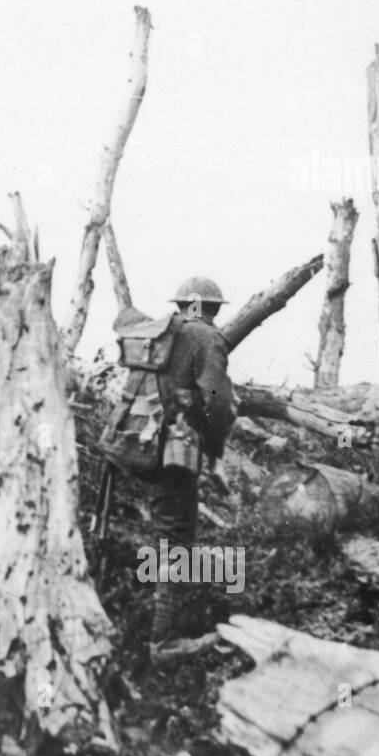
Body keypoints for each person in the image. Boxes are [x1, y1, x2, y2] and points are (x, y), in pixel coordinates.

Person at [144, 276, 237, 662]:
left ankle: (151, 618)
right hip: (175, 453)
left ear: (182, 304)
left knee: (165, 533)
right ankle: (164, 641)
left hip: (141, 444)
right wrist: (215, 455)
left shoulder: (161, 332)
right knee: (176, 540)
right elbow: (219, 404)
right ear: (212, 308)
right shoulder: (207, 338)